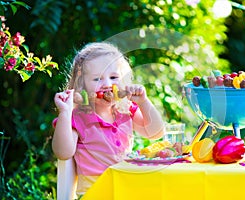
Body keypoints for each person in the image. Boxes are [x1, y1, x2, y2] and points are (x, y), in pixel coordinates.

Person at [52, 42, 164, 195]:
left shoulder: (125, 110)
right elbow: (63, 152)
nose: (107, 84)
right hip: (96, 194)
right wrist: (65, 112)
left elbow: (156, 133)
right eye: (97, 79)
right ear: (82, 84)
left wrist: (144, 102)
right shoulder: (78, 117)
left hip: (125, 190)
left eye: (113, 77)